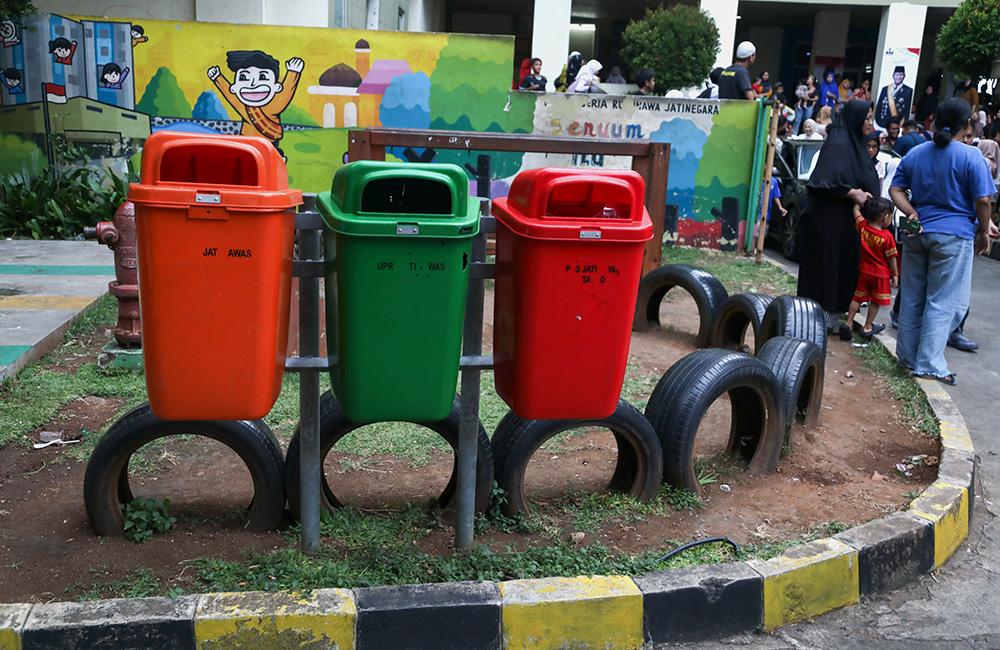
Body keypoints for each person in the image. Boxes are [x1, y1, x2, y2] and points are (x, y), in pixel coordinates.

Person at [888, 98, 999, 385]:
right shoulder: (971, 156)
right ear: (967, 126)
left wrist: (912, 211)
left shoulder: (916, 152)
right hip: (954, 237)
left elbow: (895, 188)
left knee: (912, 297)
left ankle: (908, 358)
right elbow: (983, 200)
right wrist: (984, 231)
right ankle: (930, 365)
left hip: (917, 233)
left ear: (935, 120)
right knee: (943, 302)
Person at [796, 99, 879, 338]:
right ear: (855, 119)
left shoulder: (856, 145)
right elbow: (822, 182)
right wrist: (853, 193)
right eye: (867, 118)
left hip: (847, 222)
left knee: (842, 269)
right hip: (830, 222)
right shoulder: (839, 144)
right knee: (828, 270)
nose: (870, 123)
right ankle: (821, 320)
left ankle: (832, 318)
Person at [845, 197, 899, 338]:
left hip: (865, 272)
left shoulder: (863, 227)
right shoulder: (887, 237)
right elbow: (892, 258)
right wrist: (895, 274)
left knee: (857, 298)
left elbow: (855, 211)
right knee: (875, 302)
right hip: (880, 275)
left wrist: (859, 201)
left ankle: (849, 323)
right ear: (885, 217)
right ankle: (868, 326)